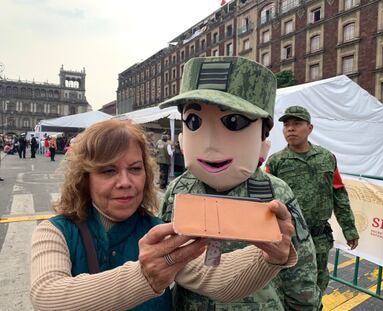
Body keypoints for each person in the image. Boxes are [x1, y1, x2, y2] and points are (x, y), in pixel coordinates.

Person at [30, 119, 298, 311]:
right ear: (83, 178)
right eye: (108, 171)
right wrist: (144, 278)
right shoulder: (55, 231)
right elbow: (47, 296)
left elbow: (214, 278)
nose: (125, 182)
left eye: (135, 169)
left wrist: (269, 257)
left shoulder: (160, 231)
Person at [160, 56, 321, 310]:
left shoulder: (275, 194)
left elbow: (301, 265)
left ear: (263, 137)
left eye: (233, 122)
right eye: (194, 121)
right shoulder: (178, 190)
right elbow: (163, 258)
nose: (211, 142)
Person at [266, 105, 359, 298]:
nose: (290, 128)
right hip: (288, 239)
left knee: (318, 284)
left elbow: (339, 194)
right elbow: (266, 201)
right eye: (286, 125)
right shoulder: (276, 161)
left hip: (319, 238)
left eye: (297, 123)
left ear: (310, 128)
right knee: (286, 287)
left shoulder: (326, 158)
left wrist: (349, 228)